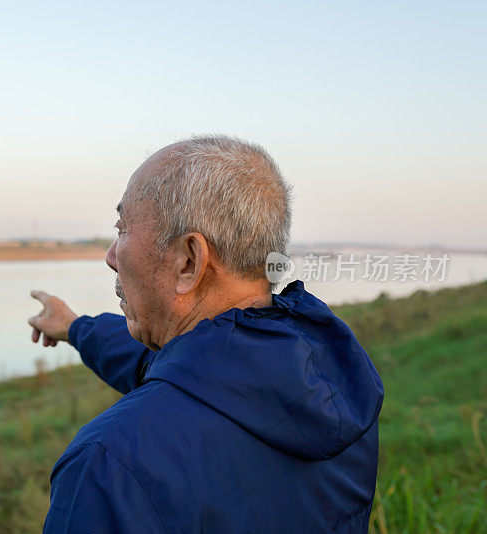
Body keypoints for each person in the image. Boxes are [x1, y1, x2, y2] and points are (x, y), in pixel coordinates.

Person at [28, 136, 383, 533]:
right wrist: (76, 327)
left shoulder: (111, 465)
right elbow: (169, 367)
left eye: (122, 228)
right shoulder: (333, 386)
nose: (111, 256)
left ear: (188, 262)